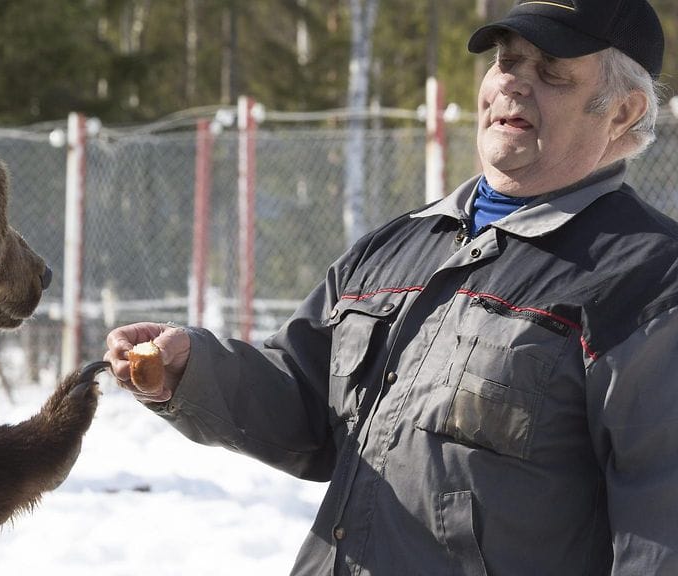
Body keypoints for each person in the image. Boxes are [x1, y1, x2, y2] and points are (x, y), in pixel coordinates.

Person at [103, 0, 678, 574]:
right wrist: (191, 369)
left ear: (623, 112)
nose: (514, 85)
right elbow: (308, 405)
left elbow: (661, 522)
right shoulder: (397, 245)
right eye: (507, 60)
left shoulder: (649, 279)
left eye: (550, 70)